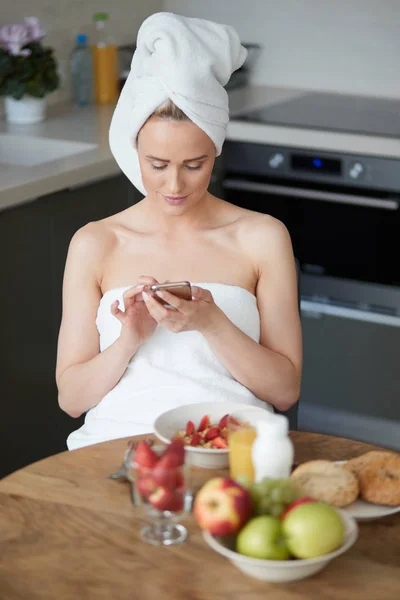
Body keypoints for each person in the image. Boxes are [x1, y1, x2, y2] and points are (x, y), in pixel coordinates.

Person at [56, 13, 302, 450]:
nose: (174, 186)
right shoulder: (96, 242)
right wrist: (129, 338)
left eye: (194, 165)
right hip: (113, 455)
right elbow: (72, 400)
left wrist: (212, 323)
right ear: (136, 150)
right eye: (157, 165)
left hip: (228, 455)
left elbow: (284, 392)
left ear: (215, 152)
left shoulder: (262, 237)